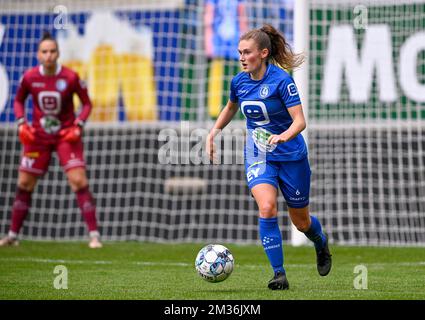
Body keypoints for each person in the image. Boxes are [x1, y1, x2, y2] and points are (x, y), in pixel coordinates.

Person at [206, 24, 332, 290]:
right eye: (239, 52)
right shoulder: (238, 82)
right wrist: (213, 132)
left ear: (263, 53)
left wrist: (284, 135)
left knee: (301, 222)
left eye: (247, 52)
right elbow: (231, 107)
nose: (241, 57)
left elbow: (300, 121)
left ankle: (320, 243)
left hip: (291, 154)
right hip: (258, 153)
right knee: (267, 207)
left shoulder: (281, 80)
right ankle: (279, 274)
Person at [0, 31, 102, 249]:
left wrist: (79, 125)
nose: (48, 55)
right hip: (38, 137)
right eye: (44, 51)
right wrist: (21, 123)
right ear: (38, 54)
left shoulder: (71, 77)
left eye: (52, 51)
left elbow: (87, 104)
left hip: (66, 135)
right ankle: (12, 235)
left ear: (58, 53)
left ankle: (94, 235)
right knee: (24, 183)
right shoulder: (29, 77)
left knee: (78, 181)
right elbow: (18, 101)